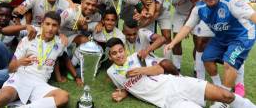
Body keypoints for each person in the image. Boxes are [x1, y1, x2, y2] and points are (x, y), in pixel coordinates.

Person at [165, 0, 256, 107]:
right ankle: (218, 86)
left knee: (229, 62)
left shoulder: (231, 1)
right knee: (207, 58)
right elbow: (187, 27)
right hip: (221, 37)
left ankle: (223, 100)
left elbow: (253, 16)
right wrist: (173, 43)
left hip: (242, 36)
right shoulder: (199, 8)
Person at [106, 38, 256, 108]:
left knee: (226, 95)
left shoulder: (137, 56)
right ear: (110, 56)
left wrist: (141, 70)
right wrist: (124, 93)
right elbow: (125, 86)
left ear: (125, 49)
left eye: (120, 51)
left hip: (176, 83)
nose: (119, 55)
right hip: (167, 100)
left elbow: (160, 68)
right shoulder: (111, 72)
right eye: (114, 53)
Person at [188, 0, 248, 94]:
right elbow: (196, 0)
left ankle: (240, 84)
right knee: (200, 43)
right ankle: (202, 81)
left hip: (229, 13)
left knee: (235, 46)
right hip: (209, 14)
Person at [0, 11, 69, 108]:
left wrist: (63, 77)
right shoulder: (28, 39)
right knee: (3, 96)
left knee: (63, 97)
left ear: (58, 27)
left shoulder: (61, 43)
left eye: (54, 25)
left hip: (40, 82)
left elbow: (57, 60)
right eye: (47, 24)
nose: (50, 28)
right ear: (42, 24)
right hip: (21, 77)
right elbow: (10, 68)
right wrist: (19, 62)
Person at [155, 0, 198, 72]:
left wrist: (187, 25)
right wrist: (149, 14)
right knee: (176, 41)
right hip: (179, 14)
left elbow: (196, 3)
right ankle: (176, 68)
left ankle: (197, 69)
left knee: (198, 42)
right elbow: (157, 7)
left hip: (195, 12)